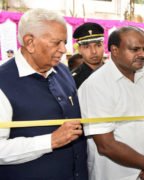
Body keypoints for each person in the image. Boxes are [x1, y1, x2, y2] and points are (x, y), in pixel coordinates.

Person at [0, 9, 88, 180]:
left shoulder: (63, 71)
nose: (64, 49)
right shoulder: (3, 82)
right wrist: (50, 141)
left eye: (65, 42)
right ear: (30, 42)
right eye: (56, 43)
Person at [78, 26, 144, 180]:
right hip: (116, 173)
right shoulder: (96, 84)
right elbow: (106, 145)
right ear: (115, 50)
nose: (143, 54)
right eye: (135, 49)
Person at [72, 22, 105, 88]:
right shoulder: (73, 80)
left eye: (98, 45)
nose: (94, 51)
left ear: (103, 46)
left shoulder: (116, 72)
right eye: (86, 47)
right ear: (79, 50)